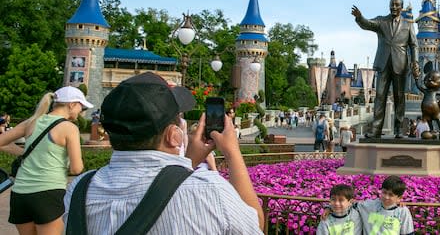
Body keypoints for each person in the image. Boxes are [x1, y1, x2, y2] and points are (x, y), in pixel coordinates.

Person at [63, 72, 263, 233]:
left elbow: (166, 186)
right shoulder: (210, 191)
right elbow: (255, 226)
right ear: (174, 135)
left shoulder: (79, 189)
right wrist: (232, 152)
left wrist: (188, 161)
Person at [0, 87, 91, 235]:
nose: (81, 111)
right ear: (71, 104)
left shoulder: (31, 122)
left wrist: (24, 153)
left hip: (20, 194)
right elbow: (76, 169)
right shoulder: (69, 128)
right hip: (48, 194)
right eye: (82, 106)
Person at [352, 0, 421, 139]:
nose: (394, 7)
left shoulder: (408, 25)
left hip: (400, 64)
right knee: (380, 96)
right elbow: (368, 24)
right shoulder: (381, 21)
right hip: (383, 64)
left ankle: (398, 130)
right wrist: (360, 17)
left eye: (397, 5)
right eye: (392, 5)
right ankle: (376, 130)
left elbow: (414, 45)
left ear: (402, 8)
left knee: (399, 97)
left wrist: (415, 62)